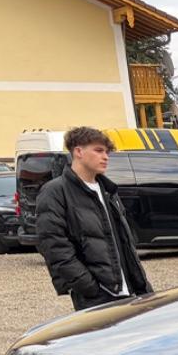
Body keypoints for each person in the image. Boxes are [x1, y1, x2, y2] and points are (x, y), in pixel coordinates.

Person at [35, 126, 151, 310]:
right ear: (78, 151)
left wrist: (142, 286)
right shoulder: (55, 192)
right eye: (98, 150)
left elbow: (124, 243)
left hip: (129, 292)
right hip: (96, 297)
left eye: (107, 152)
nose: (105, 157)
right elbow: (53, 246)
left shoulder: (108, 190)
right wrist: (89, 287)